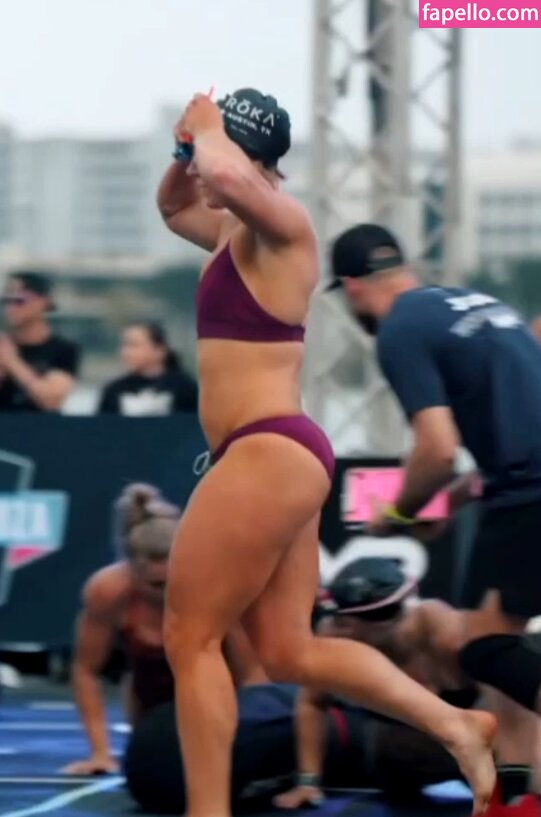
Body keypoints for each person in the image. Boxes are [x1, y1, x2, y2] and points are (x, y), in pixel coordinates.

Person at [156, 88, 497, 817]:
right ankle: (455, 725)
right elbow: (174, 207)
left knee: (190, 638)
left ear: (247, 155)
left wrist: (209, 133)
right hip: (278, 454)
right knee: (289, 652)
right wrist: (186, 148)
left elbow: (231, 179)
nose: (204, 169)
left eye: (214, 154)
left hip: (266, 451)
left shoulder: (286, 226)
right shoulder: (231, 231)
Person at [328, 222, 541, 812]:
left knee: (482, 651)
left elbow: (437, 449)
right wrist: (447, 504)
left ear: (350, 287)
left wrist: (400, 511)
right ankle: (518, 797)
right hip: (517, 492)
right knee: (500, 651)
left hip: (527, 499)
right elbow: (508, 440)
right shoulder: (479, 305)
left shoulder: (400, 329)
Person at [124, 558, 475, 815]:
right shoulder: (335, 636)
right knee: (394, 748)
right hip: (392, 730)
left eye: (394, 611)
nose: (392, 622)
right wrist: (308, 781)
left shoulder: (443, 632)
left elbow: (495, 700)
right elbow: (310, 704)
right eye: (375, 616)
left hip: (467, 718)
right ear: (345, 621)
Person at [62, 483, 263, 776]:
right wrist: (101, 753)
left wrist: (255, 737)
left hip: (221, 701)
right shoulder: (108, 592)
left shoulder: (215, 587)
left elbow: (252, 674)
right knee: (155, 768)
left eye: (175, 580)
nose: (167, 593)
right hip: (150, 704)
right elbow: (85, 670)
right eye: (156, 585)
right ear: (132, 570)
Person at [0, 272, 80, 412]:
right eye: (7, 301)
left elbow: (51, 401)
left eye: (19, 300)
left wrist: (13, 362)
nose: (11, 308)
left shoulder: (63, 350)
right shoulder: (3, 346)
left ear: (43, 302)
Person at [98, 321, 197, 416]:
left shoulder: (185, 389)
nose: (125, 352)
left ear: (159, 350)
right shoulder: (114, 390)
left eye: (133, 345)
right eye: (124, 345)